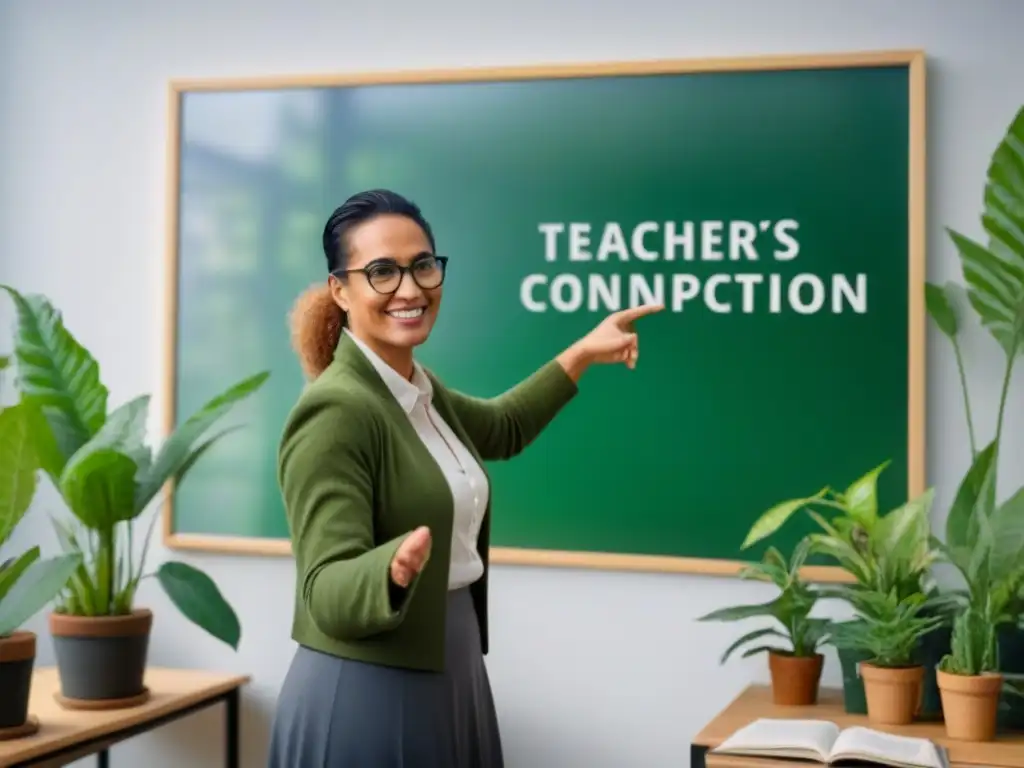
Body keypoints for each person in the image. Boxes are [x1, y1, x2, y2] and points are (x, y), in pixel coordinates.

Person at [267, 189, 662, 768]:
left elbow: (502, 427)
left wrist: (582, 353)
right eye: (381, 272)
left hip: (449, 668)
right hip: (368, 690)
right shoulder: (337, 411)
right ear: (340, 291)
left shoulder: (417, 390)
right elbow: (323, 587)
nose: (410, 288)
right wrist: (391, 569)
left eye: (422, 265)